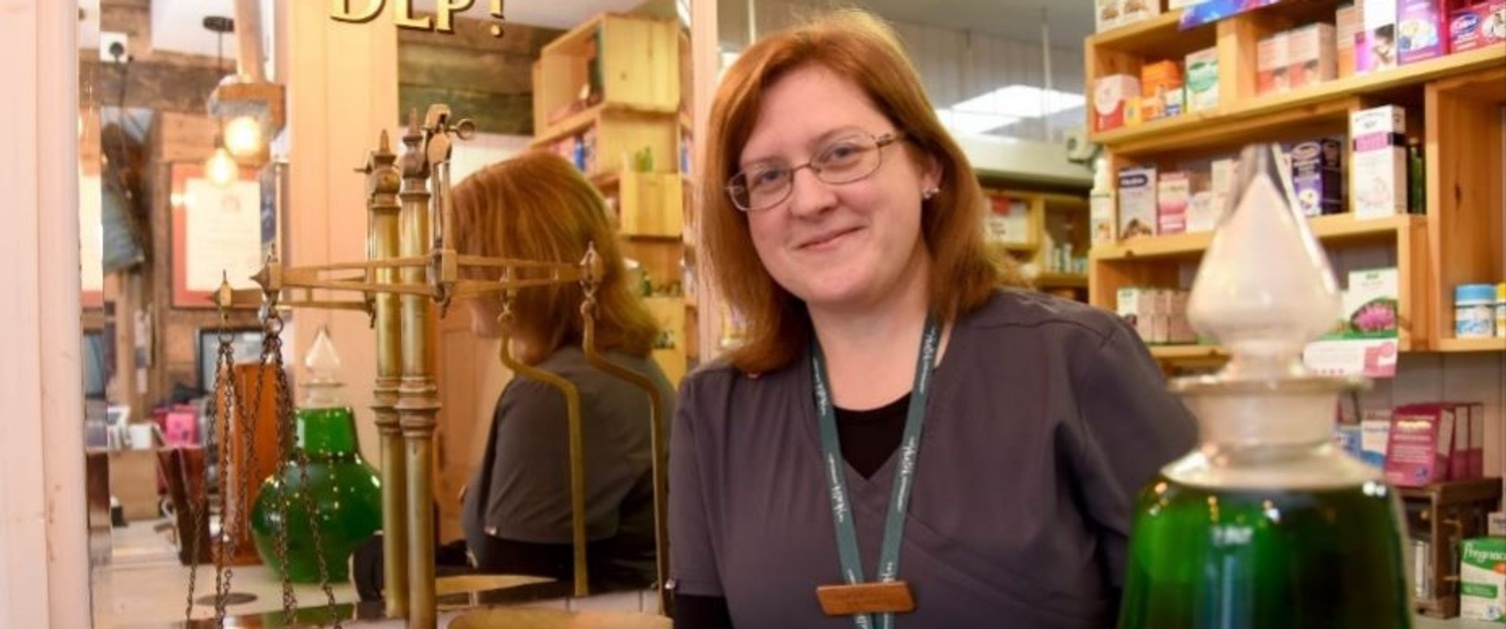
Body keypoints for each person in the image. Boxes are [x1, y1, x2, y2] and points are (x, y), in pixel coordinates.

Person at [668, 9, 1198, 628]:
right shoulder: (715, 412)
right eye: (769, 176)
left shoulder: (1078, 363)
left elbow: (1204, 605)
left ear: (928, 166)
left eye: (842, 153)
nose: (810, 200)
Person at [451, 150, 674, 592]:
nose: (455, 284)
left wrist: (381, 570)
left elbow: (516, 588)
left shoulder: (560, 393)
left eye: (464, 259)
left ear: (513, 263)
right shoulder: (612, 365)